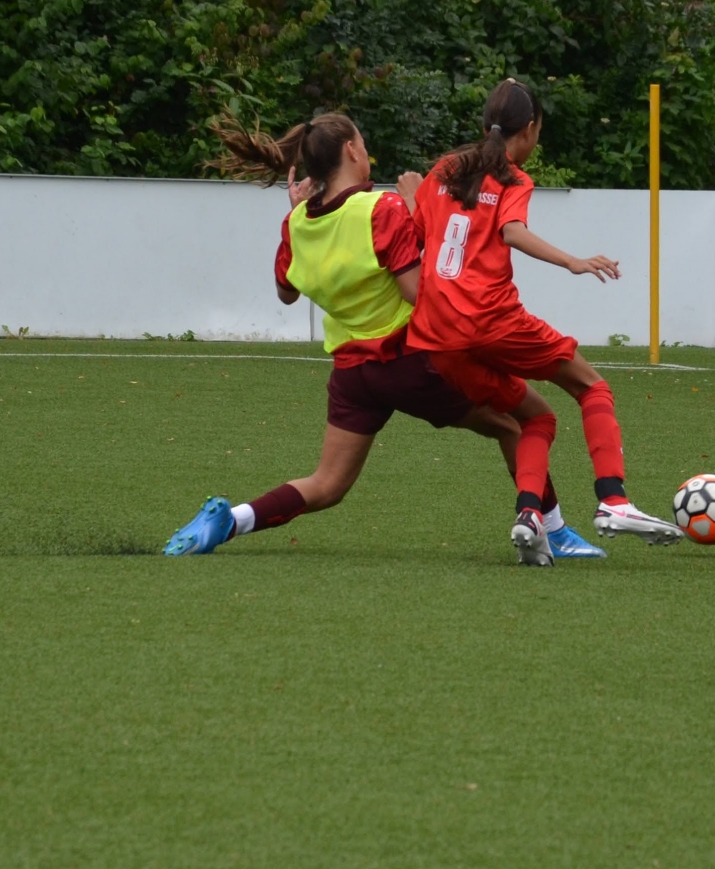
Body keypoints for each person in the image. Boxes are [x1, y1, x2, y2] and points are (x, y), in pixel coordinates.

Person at [163, 113, 605, 558]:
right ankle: (553, 530)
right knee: (519, 422)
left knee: (327, 483)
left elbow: (286, 293)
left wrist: (295, 214)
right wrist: (417, 207)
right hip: (411, 361)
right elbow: (416, 292)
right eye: (362, 141)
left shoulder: (297, 221)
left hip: (354, 375)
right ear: (351, 150)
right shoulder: (382, 208)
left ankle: (231, 520)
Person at [408, 79, 683, 567]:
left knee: (537, 417)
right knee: (591, 386)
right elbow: (512, 231)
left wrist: (412, 199)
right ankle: (614, 499)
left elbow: (421, 234)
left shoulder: (445, 170)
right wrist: (573, 261)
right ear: (530, 128)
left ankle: (530, 517)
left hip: (438, 338)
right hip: (491, 319)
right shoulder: (513, 179)